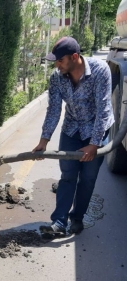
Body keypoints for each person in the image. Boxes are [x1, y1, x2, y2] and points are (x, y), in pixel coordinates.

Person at [32, 36, 114, 236]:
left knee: (88, 178)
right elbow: (54, 110)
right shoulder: (57, 77)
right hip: (71, 130)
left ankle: (77, 218)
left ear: (75, 57)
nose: (57, 65)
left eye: (60, 60)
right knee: (68, 175)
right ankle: (59, 222)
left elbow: (103, 110)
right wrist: (44, 141)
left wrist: (94, 144)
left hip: (97, 130)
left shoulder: (100, 71)